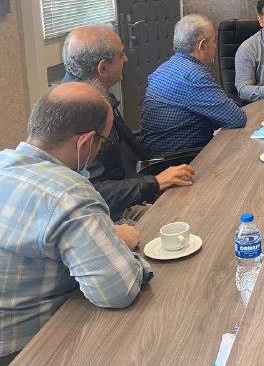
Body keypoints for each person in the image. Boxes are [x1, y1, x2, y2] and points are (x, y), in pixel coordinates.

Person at [0, 83, 152, 363]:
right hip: (26, 349)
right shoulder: (68, 192)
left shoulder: (4, 163)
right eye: (102, 142)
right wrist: (116, 243)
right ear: (86, 142)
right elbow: (118, 290)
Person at [62, 25, 195, 221]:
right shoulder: (81, 112)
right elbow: (94, 192)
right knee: (191, 217)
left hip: (131, 190)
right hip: (109, 214)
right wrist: (155, 182)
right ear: (103, 68)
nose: (126, 59)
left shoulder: (90, 94)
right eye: (121, 54)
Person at [140, 15, 246, 155]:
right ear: (202, 46)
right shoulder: (195, 76)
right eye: (213, 41)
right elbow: (237, 119)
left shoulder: (163, 69)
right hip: (181, 158)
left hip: (156, 153)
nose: (215, 46)